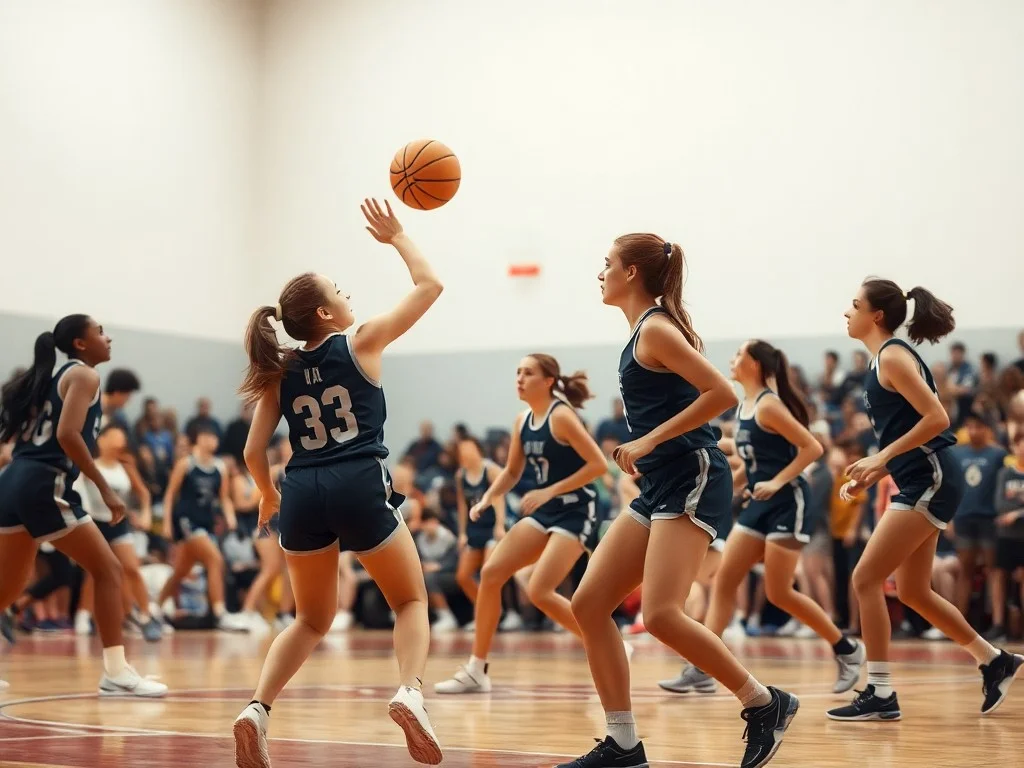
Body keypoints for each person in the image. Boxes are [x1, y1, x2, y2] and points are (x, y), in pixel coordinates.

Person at [565, 234, 798, 768]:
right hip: (660, 483)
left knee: (663, 614)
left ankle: (764, 703)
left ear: (630, 274)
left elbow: (723, 394)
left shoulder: (656, 329)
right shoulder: (643, 331)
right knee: (588, 604)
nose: (600, 273)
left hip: (690, 475)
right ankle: (622, 743)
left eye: (607, 264)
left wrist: (648, 440)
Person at [232, 199, 444, 767]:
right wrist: (398, 236)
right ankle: (410, 693)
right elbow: (430, 286)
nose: (347, 296)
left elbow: (254, 452)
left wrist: (267, 493)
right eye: (339, 290)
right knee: (409, 599)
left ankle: (257, 707)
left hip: (302, 488)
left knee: (309, 619)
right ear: (325, 315)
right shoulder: (361, 342)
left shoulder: (279, 373)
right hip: (357, 478)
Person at [826, 278, 1022, 722]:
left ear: (876, 316)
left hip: (931, 477)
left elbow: (938, 417)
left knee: (864, 579)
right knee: (913, 590)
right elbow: (903, 431)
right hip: (921, 476)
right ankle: (994, 660)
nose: (847, 311)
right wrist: (878, 469)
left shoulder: (893, 356)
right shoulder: (884, 358)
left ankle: (879, 691)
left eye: (854, 305)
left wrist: (883, 457)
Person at [662, 340, 864, 697]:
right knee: (725, 581)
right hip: (760, 503)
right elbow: (751, 465)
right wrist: (731, 489)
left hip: (789, 502)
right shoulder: (745, 406)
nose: (732, 359)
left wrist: (777, 481)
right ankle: (704, 667)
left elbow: (813, 448)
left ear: (754, 364)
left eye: (739, 354)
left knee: (779, 591)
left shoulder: (770, 405)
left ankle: (846, 649)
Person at [0, 315, 166, 697]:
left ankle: (117, 671)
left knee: (7, 588)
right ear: (80, 343)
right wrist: (105, 488)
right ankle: (116, 672)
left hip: (13, 481)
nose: (109, 338)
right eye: (100, 332)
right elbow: (67, 434)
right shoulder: (84, 376)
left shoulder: (47, 378)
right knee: (108, 570)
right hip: (43, 481)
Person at [434, 354, 607, 695]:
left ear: (548, 381)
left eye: (528, 373)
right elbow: (512, 472)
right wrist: (486, 498)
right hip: (545, 509)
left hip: (576, 509)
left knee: (540, 590)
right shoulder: (522, 421)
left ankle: (607, 644)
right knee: (491, 573)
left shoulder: (562, 417)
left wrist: (549, 491)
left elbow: (598, 465)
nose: (520, 378)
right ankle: (476, 669)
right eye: (517, 372)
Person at [74, 424, 162, 642]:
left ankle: (145, 615)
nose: (118, 441)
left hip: (120, 525)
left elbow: (144, 494)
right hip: (95, 523)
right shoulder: (89, 465)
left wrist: (146, 515)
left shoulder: (126, 467)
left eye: (121, 437)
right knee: (94, 573)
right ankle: (83, 616)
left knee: (132, 568)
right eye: (113, 436)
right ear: (101, 440)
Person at [157, 425, 238, 630]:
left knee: (180, 571)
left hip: (206, 522)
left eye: (215, 437)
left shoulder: (220, 467)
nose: (212, 441)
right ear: (199, 438)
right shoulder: (186, 464)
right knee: (215, 559)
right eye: (208, 436)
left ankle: (153, 609)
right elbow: (169, 495)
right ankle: (220, 613)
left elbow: (224, 498)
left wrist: (230, 516)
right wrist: (167, 523)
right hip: (186, 521)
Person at [949, 413, 1008, 637]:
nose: (974, 431)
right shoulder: (957, 453)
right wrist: (951, 517)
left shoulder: (998, 454)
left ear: (987, 429)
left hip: (989, 520)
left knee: (993, 571)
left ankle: (997, 625)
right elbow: (952, 486)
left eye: (979, 427)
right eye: (970, 427)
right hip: (964, 518)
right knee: (965, 571)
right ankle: (959, 624)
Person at [453, 436, 505, 612]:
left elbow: (499, 498)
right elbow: (462, 506)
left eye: (469, 448)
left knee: (487, 572)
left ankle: (493, 611)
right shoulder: (461, 475)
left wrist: (500, 525)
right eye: (462, 450)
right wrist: (462, 533)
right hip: (475, 528)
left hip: (492, 527)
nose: (466, 453)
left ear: (477, 449)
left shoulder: (490, 470)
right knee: (462, 576)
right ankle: (485, 609)